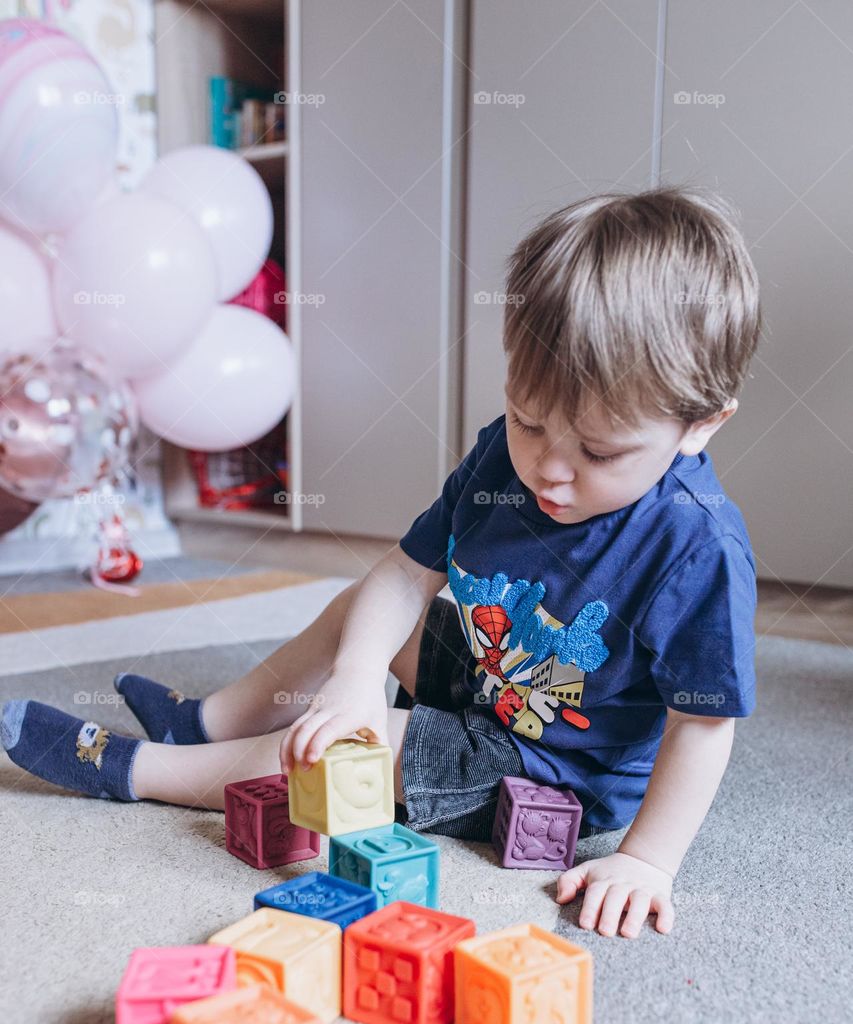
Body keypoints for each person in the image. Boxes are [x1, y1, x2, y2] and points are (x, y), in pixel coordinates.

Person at [1, 185, 761, 940]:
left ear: (700, 426)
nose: (549, 471)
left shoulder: (696, 548)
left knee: (346, 746)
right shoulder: (506, 453)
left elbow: (701, 727)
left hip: (555, 767)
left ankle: (138, 773)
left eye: (597, 452)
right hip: (491, 674)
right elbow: (404, 575)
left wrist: (648, 862)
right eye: (530, 423)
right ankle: (207, 720)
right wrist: (358, 679)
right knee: (355, 617)